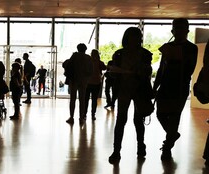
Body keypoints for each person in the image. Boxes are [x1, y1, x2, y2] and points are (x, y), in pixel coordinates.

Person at [153, 18, 198, 161]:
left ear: (187, 31)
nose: (177, 32)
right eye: (175, 29)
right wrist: (155, 86)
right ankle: (172, 135)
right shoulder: (167, 46)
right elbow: (161, 68)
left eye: (181, 29)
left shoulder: (192, 48)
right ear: (172, 31)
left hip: (180, 86)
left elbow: (190, 69)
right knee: (160, 114)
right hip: (165, 86)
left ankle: (167, 147)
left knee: (174, 116)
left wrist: (176, 61)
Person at [108, 27, 153, 165]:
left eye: (137, 36)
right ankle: (118, 150)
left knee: (135, 120)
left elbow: (147, 71)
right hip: (125, 90)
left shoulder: (122, 54)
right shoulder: (122, 54)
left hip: (135, 90)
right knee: (123, 120)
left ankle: (138, 146)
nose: (135, 39)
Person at [65, 43, 93, 125]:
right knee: (82, 100)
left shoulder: (75, 56)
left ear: (78, 48)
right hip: (84, 81)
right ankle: (81, 118)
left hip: (74, 80)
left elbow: (68, 65)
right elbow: (91, 70)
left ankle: (71, 117)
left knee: (72, 99)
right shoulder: (88, 58)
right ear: (85, 49)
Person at [85, 49, 106, 120]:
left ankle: (84, 114)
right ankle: (93, 114)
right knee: (94, 100)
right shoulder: (100, 62)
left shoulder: (88, 62)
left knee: (86, 99)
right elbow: (104, 68)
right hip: (97, 83)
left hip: (88, 83)